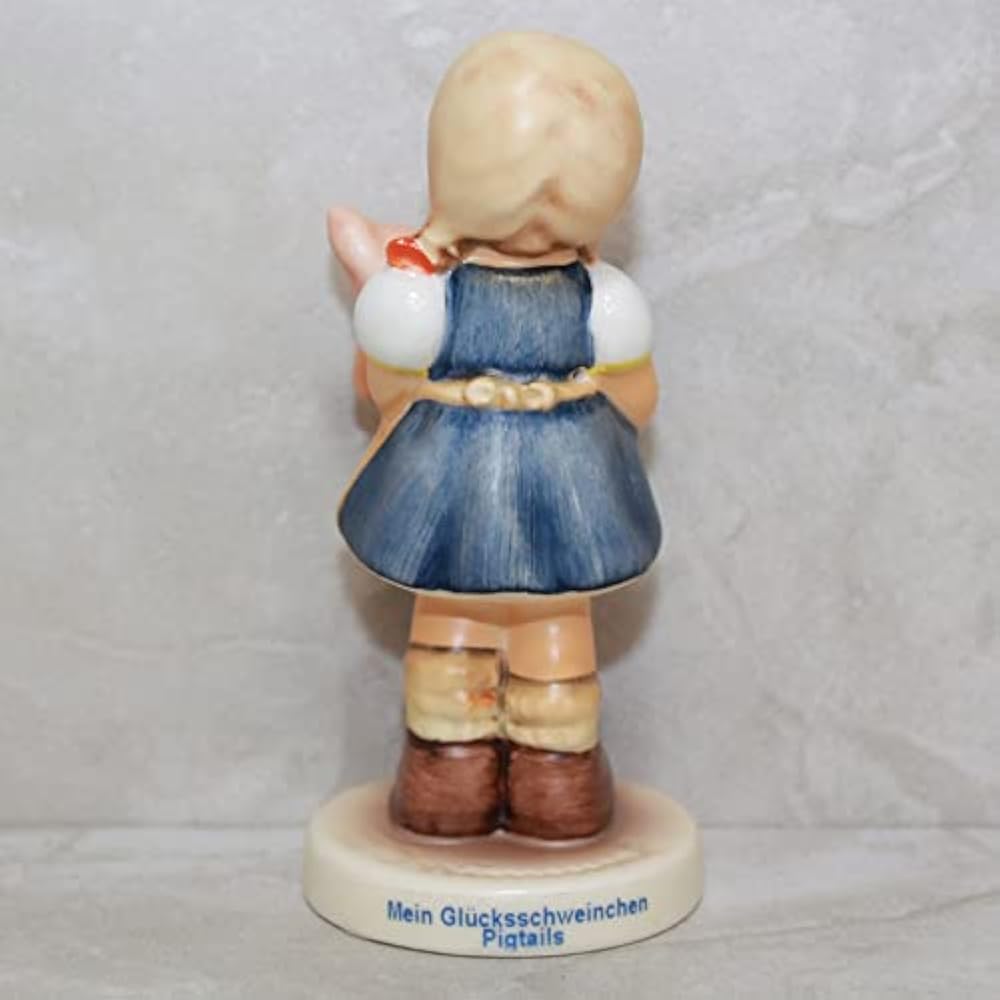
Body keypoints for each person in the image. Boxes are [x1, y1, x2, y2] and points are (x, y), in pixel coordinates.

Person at [327, 31, 660, 840]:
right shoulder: (447, 297)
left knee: (506, 618)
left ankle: (525, 768)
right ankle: (481, 768)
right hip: (503, 483)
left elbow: (382, 391)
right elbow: (637, 402)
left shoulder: (592, 301)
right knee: (499, 619)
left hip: (510, 480)